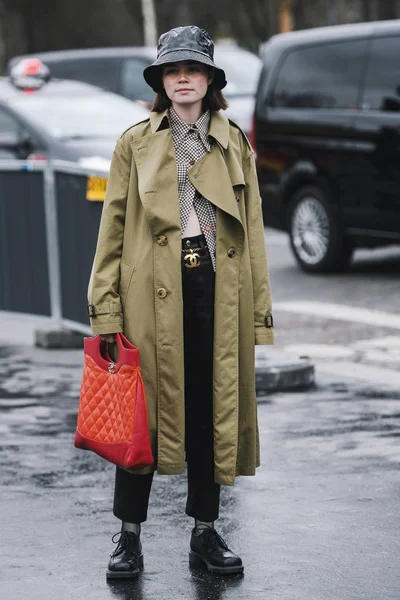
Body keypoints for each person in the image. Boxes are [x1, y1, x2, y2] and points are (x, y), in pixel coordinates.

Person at [87, 25, 274, 579]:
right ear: (162, 82)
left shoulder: (233, 140)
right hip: (148, 294)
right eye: (173, 70)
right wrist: (106, 307)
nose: (184, 77)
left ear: (211, 79)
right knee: (139, 414)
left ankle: (205, 532)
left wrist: (260, 310)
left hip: (217, 288)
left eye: (193, 69)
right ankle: (128, 537)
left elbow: (255, 229)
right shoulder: (136, 142)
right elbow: (112, 229)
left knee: (210, 410)